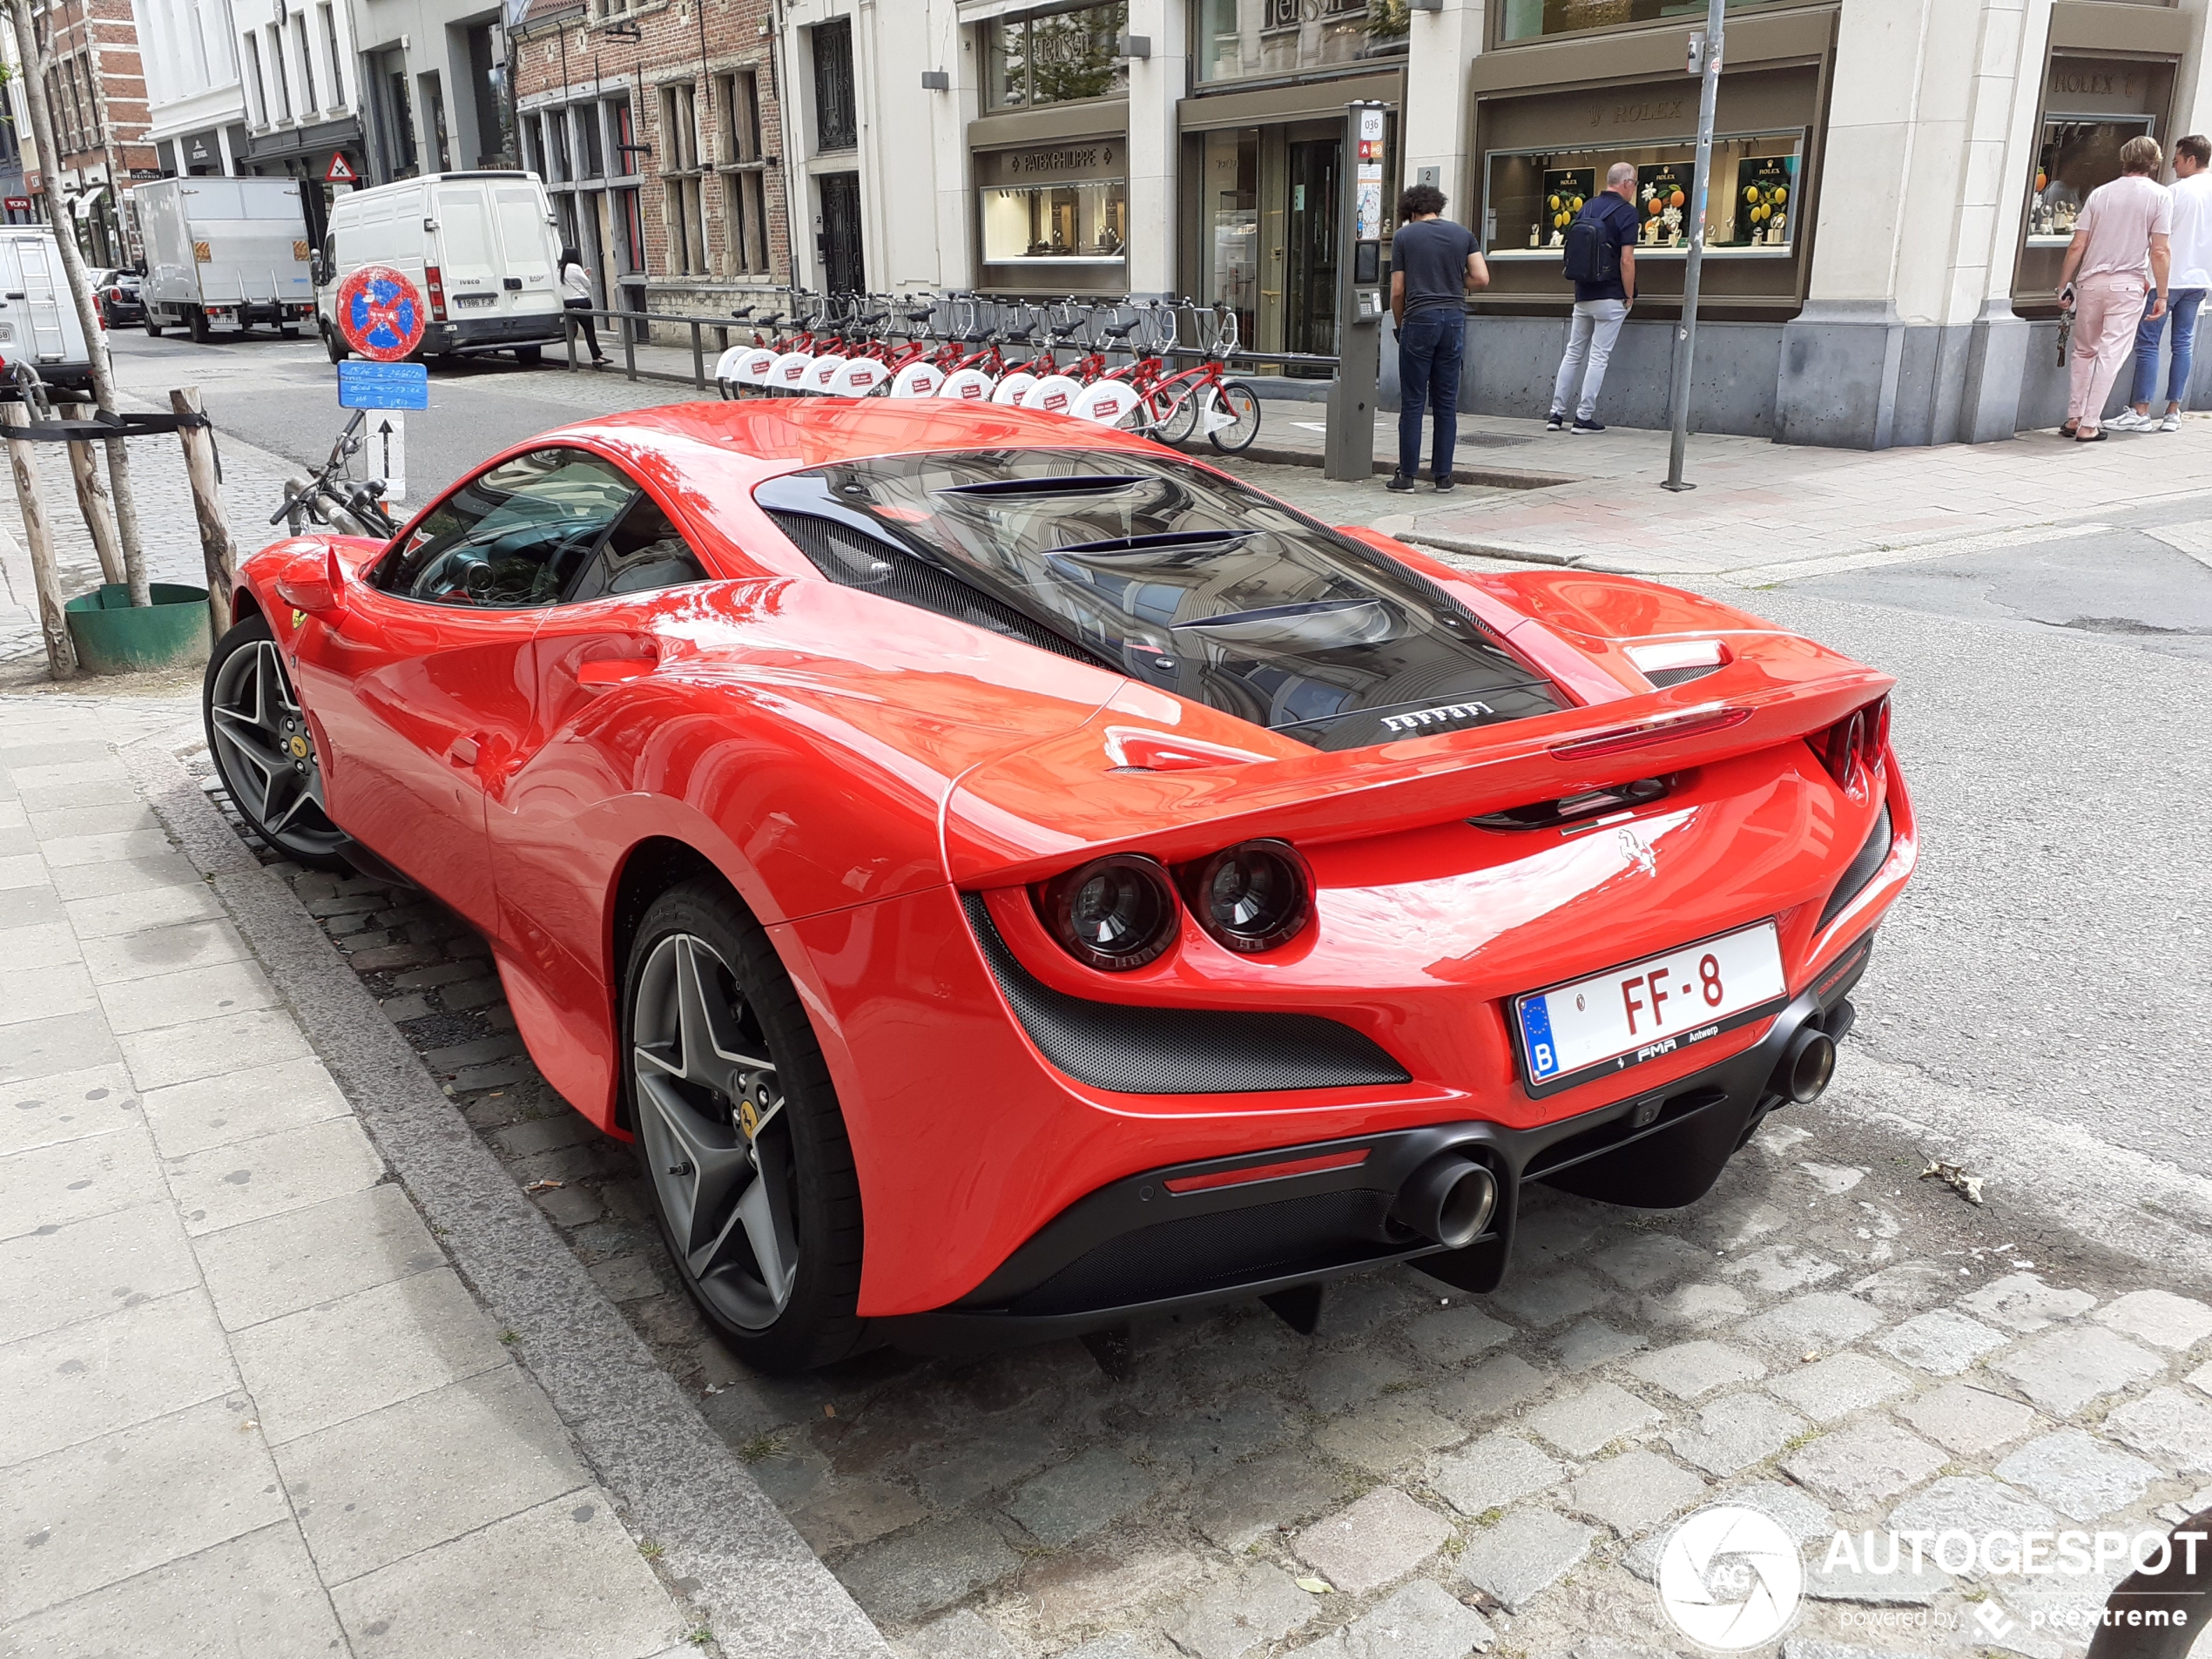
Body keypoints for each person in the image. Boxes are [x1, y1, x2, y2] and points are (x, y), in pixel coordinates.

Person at [2057, 135, 2171, 442]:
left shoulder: (2100, 195)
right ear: (2155, 161)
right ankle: (2090, 424)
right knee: (2110, 354)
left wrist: (2063, 283)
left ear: (2124, 159)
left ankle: (2073, 416)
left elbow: (2077, 244)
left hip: (2091, 282)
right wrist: (2162, 293)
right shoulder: (2160, 197)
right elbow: (2159, 250)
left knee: (2084, 350)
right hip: (2128, 285)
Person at [1387, 184, 1487, 493]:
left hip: (1420, 319)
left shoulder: (1404, 237)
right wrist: (1453, 281)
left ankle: (1406, 476)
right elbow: (1482, 278)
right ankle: (1443, 476)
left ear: (1411, 211)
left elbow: (1398, 291)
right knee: (1446, 402)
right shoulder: (1462, 234)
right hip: (1454, 319)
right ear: (1437, 207)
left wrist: (1401, 326)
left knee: (1414, 401)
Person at [2112, 132, 2211, 432]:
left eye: (2178, 159)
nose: (2174, 165)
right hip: (2200, 278)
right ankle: (2173, 411)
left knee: (2149, 343)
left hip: (2165, 279)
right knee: (2183, 344)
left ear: (2191, 160)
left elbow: (2158, 240)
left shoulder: (2175, 192)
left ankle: (2141, 410)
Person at [1547, 163, 1640, 433]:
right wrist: (1629, 293)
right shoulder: (1627, 212)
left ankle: (1556, 414)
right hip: (1610, 294)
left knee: (1573, 353)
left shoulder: (1586, 207)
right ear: (1626, 183)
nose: (1634, 189)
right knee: (1598, 357)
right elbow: (1627, 259)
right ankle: (1583, 418)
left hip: (1582, 293)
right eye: (1633, 184)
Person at [560, 246, 608, 365]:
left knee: (571, 332)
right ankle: (596, 357)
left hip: (568, 303)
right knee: (589, 330)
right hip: (581, 301)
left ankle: (576, 358)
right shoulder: (575, 267)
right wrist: (585, 276)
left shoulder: (560, 269)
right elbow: (587, 285)